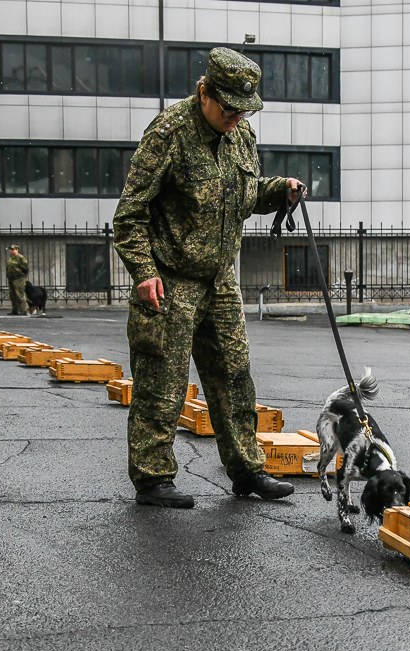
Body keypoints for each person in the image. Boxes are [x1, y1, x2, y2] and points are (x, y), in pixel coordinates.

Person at [113, 47, 305, 508]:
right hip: (171, 279)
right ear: (205, 92)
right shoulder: (169, 133)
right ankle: (153, 479)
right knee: (163, 381)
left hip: (220, 279)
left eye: (244, 110)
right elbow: (130, 214)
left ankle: (246, 469)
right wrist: (143, 272)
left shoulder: (241, 136)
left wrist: (277, 190)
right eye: (229, 108)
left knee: (234, 375)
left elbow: (240, 195)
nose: (236, 117)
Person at [5, 244, 30, 316]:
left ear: (17, 250)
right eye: (11, 250)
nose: (12, 251)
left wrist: (24, 275)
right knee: (12, 295)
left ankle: (23, 310)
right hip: (11, 278)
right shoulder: (11, 258)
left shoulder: (20, 258)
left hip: (19, 278)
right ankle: (15, 309)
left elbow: (25, 267)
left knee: (19, 294)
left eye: (13, 249)